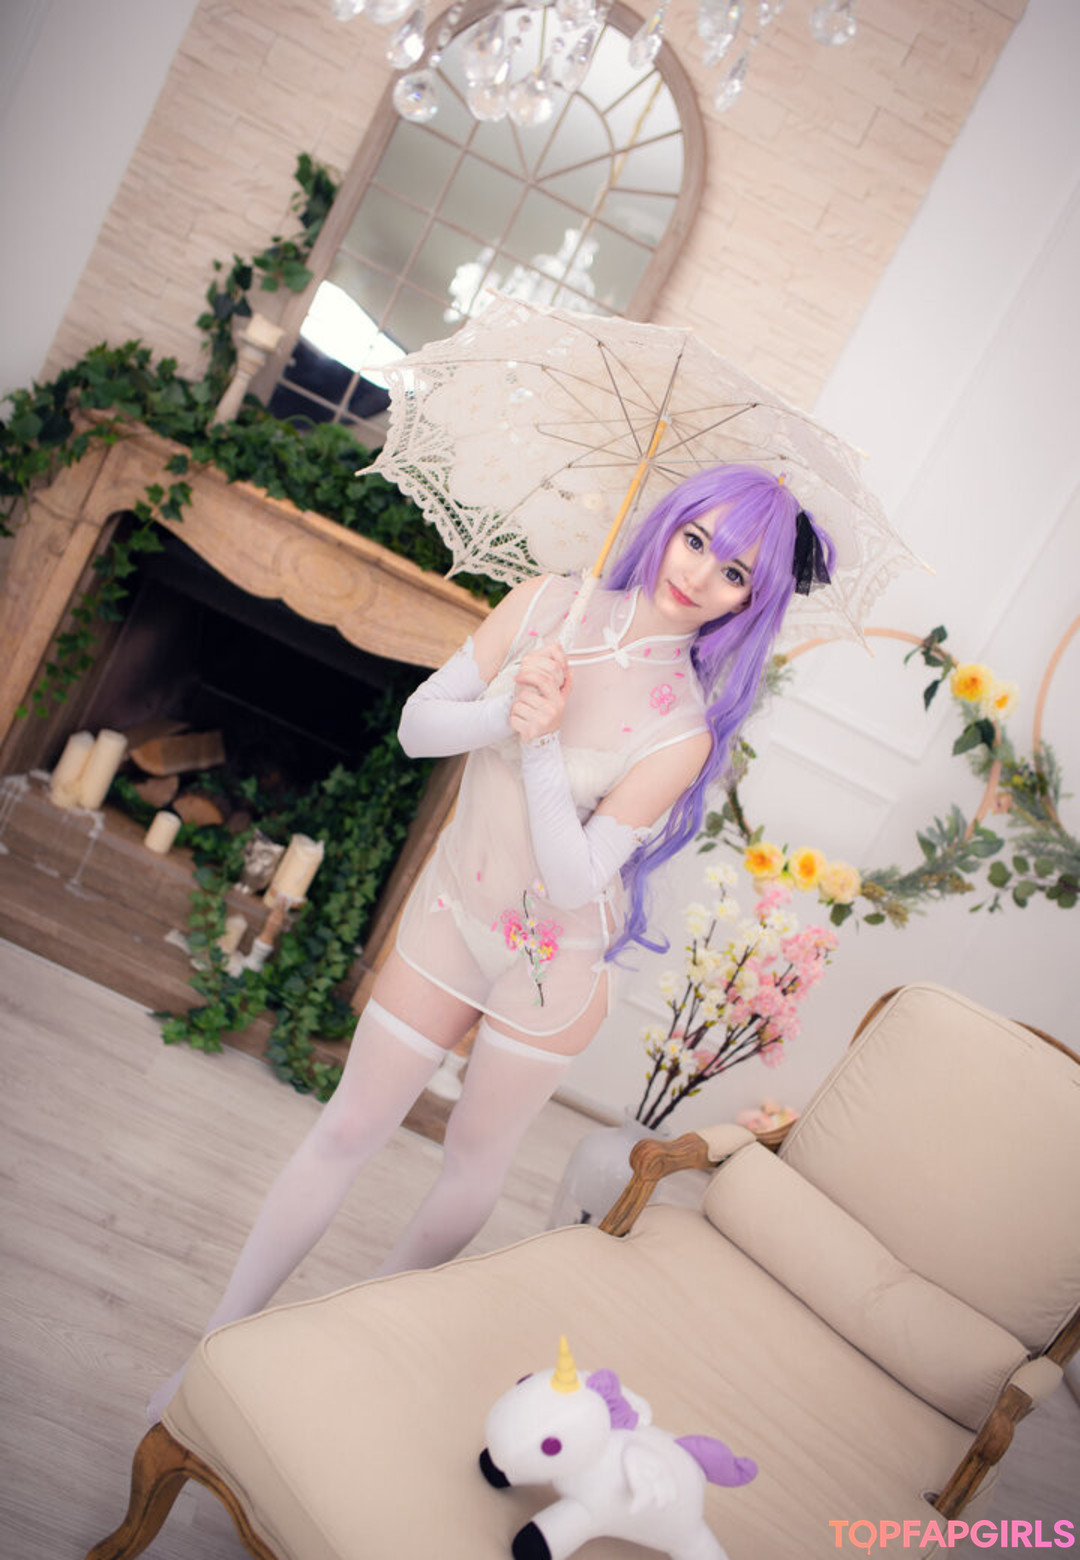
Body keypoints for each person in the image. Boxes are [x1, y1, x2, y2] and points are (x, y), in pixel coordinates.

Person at [146, 462, 832, 1422]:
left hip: (553, 969)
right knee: (346, 1127)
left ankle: (344, 1351)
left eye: (734, 575)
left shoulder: (682, 730)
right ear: (668, 523)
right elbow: (418, 730)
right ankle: (211, 1354)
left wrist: (542, 743)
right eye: (696, 540)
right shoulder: (547, 604)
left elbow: (576, 879)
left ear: (746, 606)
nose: (698, 574)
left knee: (471, 1160)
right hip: (454, 913)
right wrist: (505, 708)